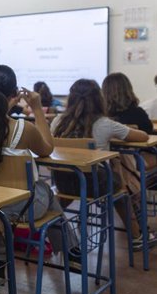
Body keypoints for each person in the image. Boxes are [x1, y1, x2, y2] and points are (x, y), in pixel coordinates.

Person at [0, 65, 77, 282]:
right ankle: (72, 251)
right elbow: (47, 149)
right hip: (21, 210)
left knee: (7, 200)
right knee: (45, 190)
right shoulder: (24, 129)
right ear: (14, 94)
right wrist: (38, 108)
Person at [51, 79, 155, 249]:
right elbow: (143, 136)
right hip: (95, 186)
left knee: (77, 185)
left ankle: (51, 221)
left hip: (63, 183)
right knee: (120, 189)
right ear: (99, 99)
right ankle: (137, 236)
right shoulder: (104, 124)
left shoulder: (57, 122)